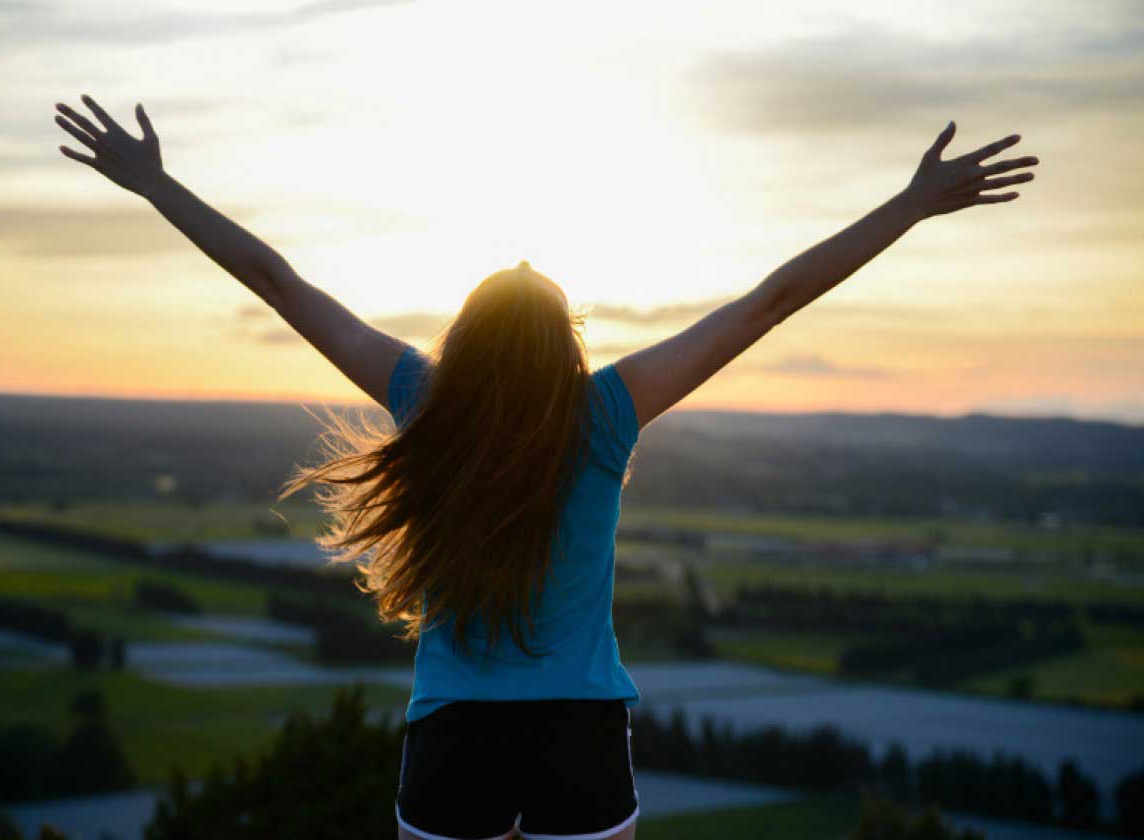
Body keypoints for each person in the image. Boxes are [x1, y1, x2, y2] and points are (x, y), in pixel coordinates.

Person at [54, 95, 1038, 840]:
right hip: (579, 741)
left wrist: (155, 184)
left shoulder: (424, 399)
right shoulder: (605, 411)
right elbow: (771, 299)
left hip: (452, 741)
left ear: (468, 336)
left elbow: (277, 283)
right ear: (564, 340)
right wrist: (908, 207)